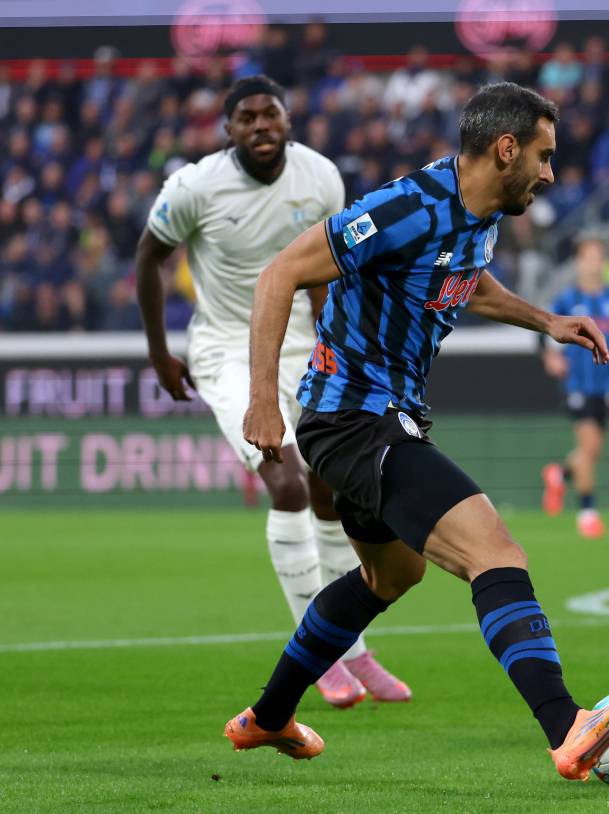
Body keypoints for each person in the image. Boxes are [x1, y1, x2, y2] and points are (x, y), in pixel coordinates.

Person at [226, 82, 609, 779]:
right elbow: (279, 275)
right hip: (352, 416)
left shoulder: (479, 212)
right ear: (506, 149)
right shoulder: (405, 208)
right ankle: (567, 726)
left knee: (391, 573)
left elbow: (469, 279)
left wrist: (546, 320)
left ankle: (269, 717)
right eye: (544, 157)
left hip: (375, 418)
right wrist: (260, 401)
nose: (551, 174)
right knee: (496, 552)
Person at [134, 76, 411, 711]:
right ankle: (321, 658)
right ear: (228, 130)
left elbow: (329, 271)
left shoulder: (321, 177)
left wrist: (339, 345)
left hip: (302, 346)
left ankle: (352, 649)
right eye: (247, 117)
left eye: (271, 113)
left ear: (287, 120)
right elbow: (148, 257)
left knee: (330, 491)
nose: (261, 124)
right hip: (227, 350)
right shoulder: (194, 187)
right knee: (285, 481)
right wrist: (159, 353)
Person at [540, 238, 609, 539]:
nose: (594, 263)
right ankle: (587, 514)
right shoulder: (567, 299)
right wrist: (549, 356)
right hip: (577, 382)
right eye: (588, 257)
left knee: (593, 451)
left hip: (608, 382)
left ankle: (559, 475)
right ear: (578, 262)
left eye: (599, 257)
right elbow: (542, 326)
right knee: (588, 447)